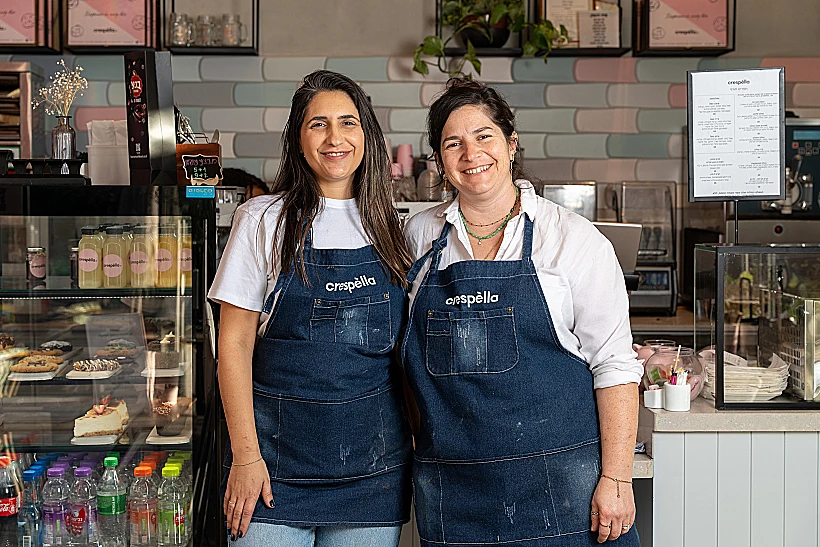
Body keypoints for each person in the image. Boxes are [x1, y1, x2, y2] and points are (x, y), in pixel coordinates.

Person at [401, 78, 643, 546]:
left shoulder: (572, 240)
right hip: (454, 493)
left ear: (511, 145)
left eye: (484, 136)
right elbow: (401, 358)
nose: (471, 154)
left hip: (563, 491)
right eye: (454, 143)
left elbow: (614, 364)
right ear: (439, 161)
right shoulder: (417, 238)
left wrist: (616, 479)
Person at [208, 70, 413, 546]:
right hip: (273, 467)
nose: (335, 138)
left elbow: (405, 356)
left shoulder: (392, 227)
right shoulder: (262, 220)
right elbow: (233, 343)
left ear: (368, 136)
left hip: (373, 472)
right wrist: (244, 457)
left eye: (349, 122)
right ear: (298, 140)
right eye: (318, 124)